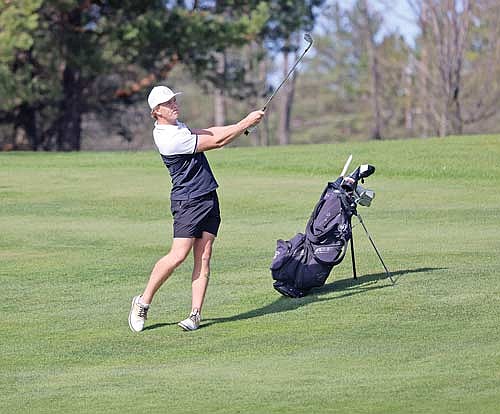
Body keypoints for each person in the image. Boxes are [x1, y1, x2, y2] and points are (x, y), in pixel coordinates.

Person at [128, 85, 265, 332]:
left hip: (207, 196)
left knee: (204, 256)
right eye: (168, 103)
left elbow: (211, 132)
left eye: (174, 101)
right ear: (157, 111)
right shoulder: (169, 138)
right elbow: (217, 141)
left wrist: (242, 126)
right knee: (178, 255)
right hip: (187, 201)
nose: (174, 105)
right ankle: (143, 301)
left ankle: (195, 314)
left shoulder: (178, 127)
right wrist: (245, 123)